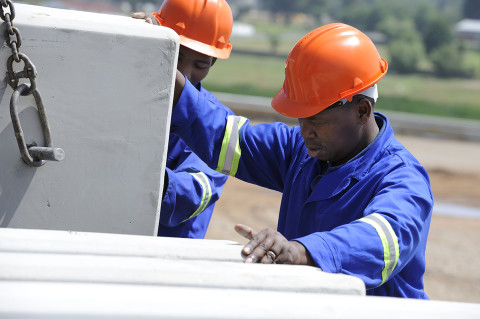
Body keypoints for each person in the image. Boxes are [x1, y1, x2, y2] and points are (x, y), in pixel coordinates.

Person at [169, 23, 434, 298]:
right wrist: (159, 58)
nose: (305, 131)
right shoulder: (304, 150)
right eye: (300, 118)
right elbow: (223, 133)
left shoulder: (403, 179)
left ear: (362, 111)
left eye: (317, 120)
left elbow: (383, 241)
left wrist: (301, 251)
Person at [133, 0, 234, 238]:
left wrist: (132, 169)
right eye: (176, 58)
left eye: (200, 65)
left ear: (213, 61)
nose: (185, 74)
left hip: (169, 259)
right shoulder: (128, 97)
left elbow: (194, 193)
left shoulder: (220, 123)